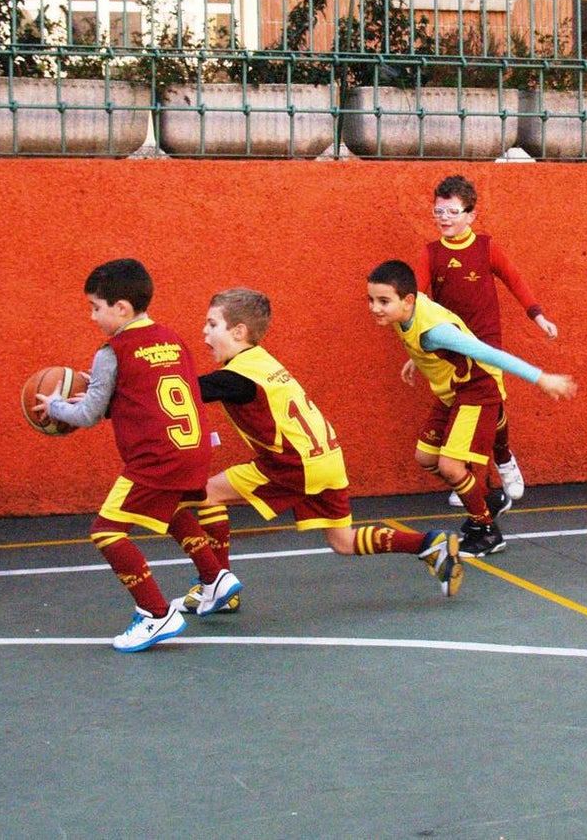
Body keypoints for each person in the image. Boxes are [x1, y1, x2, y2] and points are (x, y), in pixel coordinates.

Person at [167, 288, 465, 610]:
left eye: (212, 324)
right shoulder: (260, 361)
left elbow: (186, 391)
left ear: (239, 331)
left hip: (294, 464)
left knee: (207, 493)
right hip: (327, 458)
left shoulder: (238, 377)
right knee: (344, 541)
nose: (204, 331)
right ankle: (428, 543)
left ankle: (216, 584)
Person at [35, 258, 241, 652]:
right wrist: (103, 392)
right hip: (192, 448)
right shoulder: (172, 339)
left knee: (107, 531)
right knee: (170, 509)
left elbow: (88, 415)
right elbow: (146, 394)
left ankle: (155, 613)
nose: (93, 316)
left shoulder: (112, 351)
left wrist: (56, 405)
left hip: (155, 457)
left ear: (121, 308)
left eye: (96, 307)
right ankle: (215, 578)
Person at [367, 259, 576, 558]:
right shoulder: (410, 313)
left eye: (383, 301)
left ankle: (486, 532)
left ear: (408, 300)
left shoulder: (435, 332)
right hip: (452, 391)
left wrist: (540, 378)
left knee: (450, 467)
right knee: (426, 458)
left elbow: (487, 352)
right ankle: (488, 500)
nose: (375, 307)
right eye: (371, 300)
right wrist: (418, 357)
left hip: (477, 390)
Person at [407, 174, 558, 508]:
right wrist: (416, 349)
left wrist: (537, 315)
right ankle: (468, 478)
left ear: (471, 215)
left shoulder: (486, 247)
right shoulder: (431, 254)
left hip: (486, 342)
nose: (444, 218)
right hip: (450, 348)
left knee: (490, 402)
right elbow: (415, 302)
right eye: (439, 211)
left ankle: (502, 459)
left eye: (452, 211)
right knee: (461, 405)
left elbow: (514, 280)